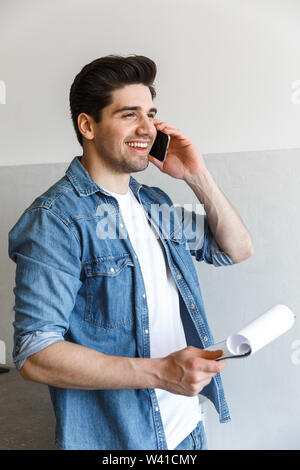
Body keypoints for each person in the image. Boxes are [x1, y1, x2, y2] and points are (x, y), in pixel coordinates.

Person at [8, 55, 254, 450]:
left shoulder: (153, 203)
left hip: (186, 429)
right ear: (87, 125)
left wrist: (196, 175)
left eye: (151, 114)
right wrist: (160, 373)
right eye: (129, 114)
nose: (147, 128)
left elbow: (237, 249)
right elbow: (36, 352)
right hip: (121, 439)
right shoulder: (55, 219)